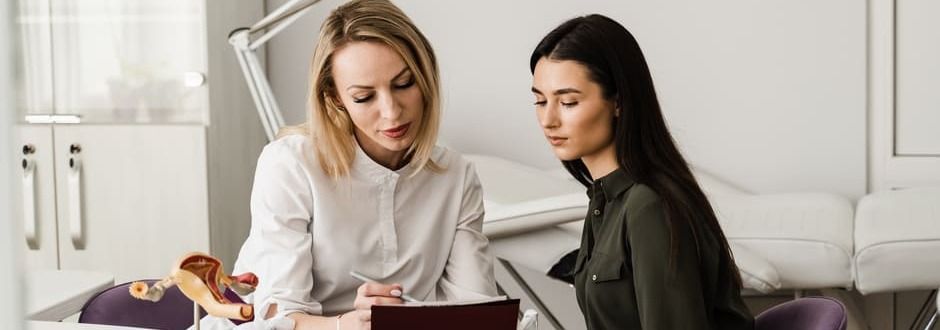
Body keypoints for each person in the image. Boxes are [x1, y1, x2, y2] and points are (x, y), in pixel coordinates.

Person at [225, 1, 497, 329]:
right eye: (364, 97)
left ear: (425, 77)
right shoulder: (291, 165)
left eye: (404, 84)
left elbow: (478, 315)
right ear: (335, 98)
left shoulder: (456, 176)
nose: (392, 112)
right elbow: (279, 318)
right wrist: (347, 324)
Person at [529, 14, 754, 329]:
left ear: (618, 102)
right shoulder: (604, 201)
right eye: (540, 101)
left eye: (568, 102)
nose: (548, 119)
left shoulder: (648, 206)